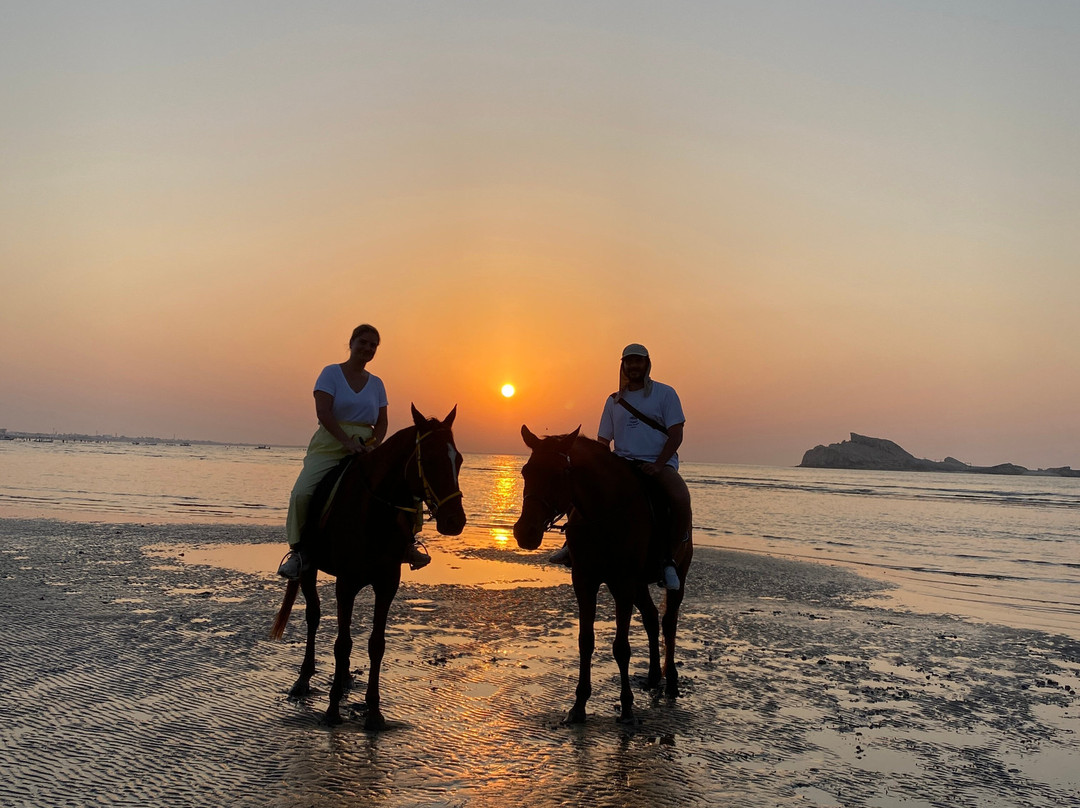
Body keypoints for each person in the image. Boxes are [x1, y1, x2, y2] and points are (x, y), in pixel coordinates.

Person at [277, 324, 430, 579]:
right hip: (330, 446)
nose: (368, 348)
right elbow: (323, 412)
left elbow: (382, 422)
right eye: (363, 342)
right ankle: (298, 551)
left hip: (366, 447)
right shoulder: (330, 374)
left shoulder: (377, 384)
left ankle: (408, 545)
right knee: (302, 494)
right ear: (351, 342)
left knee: (408, 491)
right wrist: (346, 441)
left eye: (373, 345)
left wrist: (374, 444)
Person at [550, 343, 691, 590]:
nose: (634, 366)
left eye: (638, 361)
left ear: (647, 364)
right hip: (622, 463)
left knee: (679, 498)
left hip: (659, 464)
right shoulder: (614, 401)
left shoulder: (665, 394)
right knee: (583, 489)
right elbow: (604, 441)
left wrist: (659, 465)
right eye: (629, 361)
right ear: (623, 365)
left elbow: (676, 434)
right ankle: (570, 547)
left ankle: (669, 559)